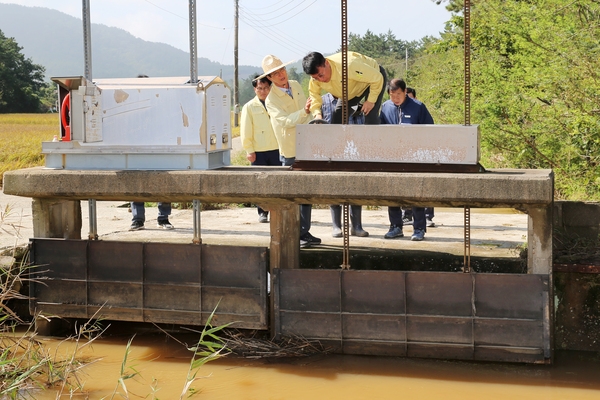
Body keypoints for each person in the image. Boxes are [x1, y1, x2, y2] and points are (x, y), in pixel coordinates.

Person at [258, 54, 318, 248]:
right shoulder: (271, 99)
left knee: (306, 193)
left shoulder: (296, 85)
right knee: (292, 195)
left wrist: (310, 114)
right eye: (275, 73)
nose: (280, 75)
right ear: (270, 78)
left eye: (281, 70)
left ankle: (304, 231)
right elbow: (284, 122)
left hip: (308, 146)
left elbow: (307, 108)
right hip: (291, 149)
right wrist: (304, 112)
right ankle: (294, 234)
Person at [380, 78, 434, 241]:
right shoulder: (385, 107)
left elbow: (430, 129)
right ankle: (395, 226)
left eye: (398, 94)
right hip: (392, 157)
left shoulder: (418, 106)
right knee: (392, 193)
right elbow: (380, 132)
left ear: (405, 92)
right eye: (391, 94)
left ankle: (419, 228)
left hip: (414, 157)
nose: (395, 98)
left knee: (416, 193)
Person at [130, 73, 174, 231]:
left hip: (158, 150)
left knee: (163, 184)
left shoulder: (159, 106)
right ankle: (137, 219)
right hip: (137, 151)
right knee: (137, 184)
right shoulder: (130, 108)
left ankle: (163, 218)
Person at [321, 93, 369, 237]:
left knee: (356, 187)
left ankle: (357, 226)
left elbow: (362, 123)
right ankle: (336, 226)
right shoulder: (323, 101)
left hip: (353, 149)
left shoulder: (354, 99)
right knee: (334, 187)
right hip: (332, 150)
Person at [302, 51, 387, 125]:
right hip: (351, 91)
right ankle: (338, 143)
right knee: (338, 118)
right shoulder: (314, 79)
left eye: (321, 75)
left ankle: (372, 143)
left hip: (372, 81)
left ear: (327, 63)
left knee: (370, 116)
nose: (320, 80)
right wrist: (317, 115)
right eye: (316, 78)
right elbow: (314, 96)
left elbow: (377, 78)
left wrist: (370, 101)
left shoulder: (348, 66)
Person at [240, 73, 280, 223]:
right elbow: (245, 130)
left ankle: (277, 209)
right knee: (261, 183)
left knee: (276, 181)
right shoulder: (249, 107)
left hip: (276, 148)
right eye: (259, 88)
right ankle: (262, 212)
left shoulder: (276, 103)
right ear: (255, 90)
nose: (263, 91)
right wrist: (249, 150)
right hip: (259, 151)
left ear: (270, 88)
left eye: (265, 88)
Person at [402, 86, 435, 228]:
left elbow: (429, 129)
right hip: (402, 155)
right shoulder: (390, 108)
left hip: (420, 154)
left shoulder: (419, 107)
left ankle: (426, 218)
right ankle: (406, 216)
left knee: (422, 188)